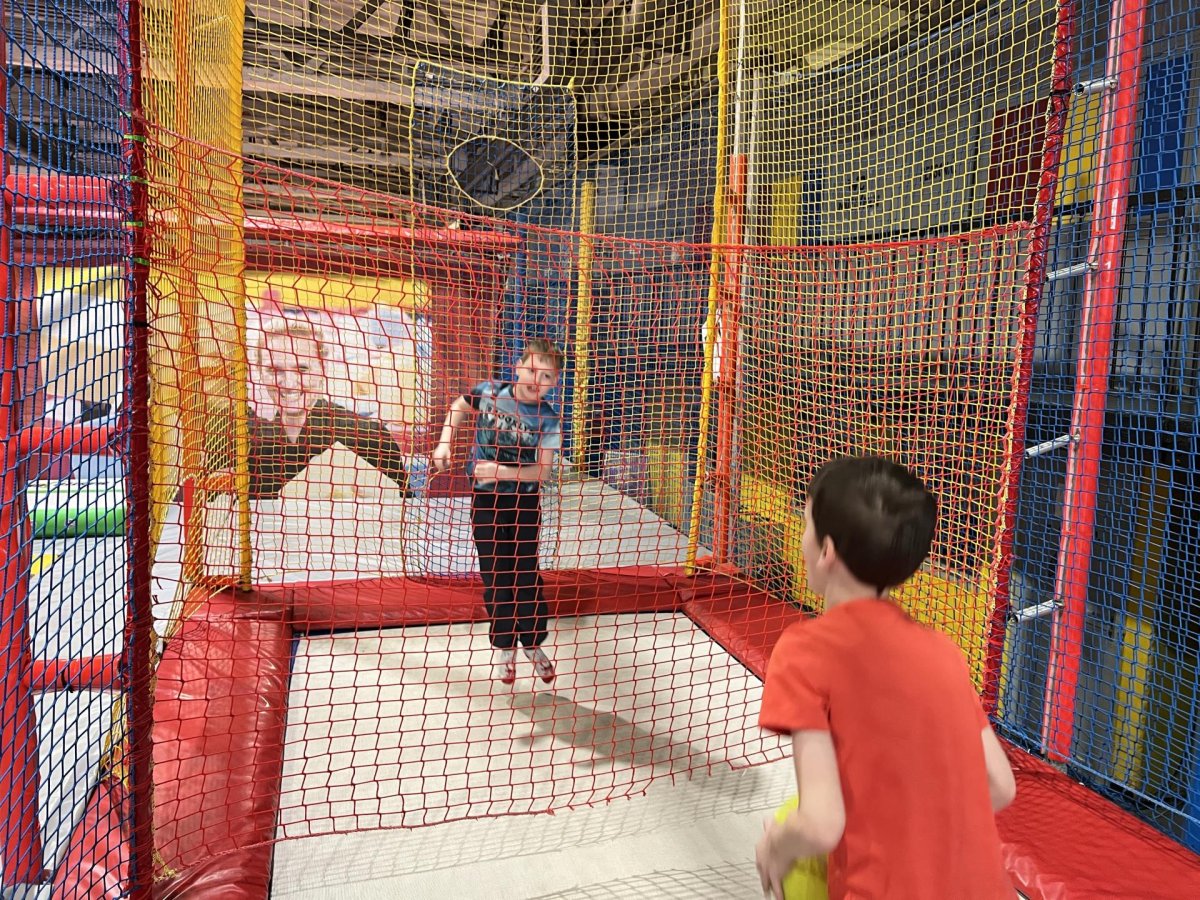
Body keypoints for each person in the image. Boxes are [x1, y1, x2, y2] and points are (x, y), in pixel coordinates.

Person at [755, 456, 1017, 900]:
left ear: (827, 551)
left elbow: (819, 824)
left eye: (806, 525)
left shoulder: (805, 652)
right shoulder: (944, 651)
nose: (801, 541)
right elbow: (999, 785)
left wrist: (775, 847)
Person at [432, 338, 564, 685]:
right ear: (518, 367)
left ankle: (532, 643)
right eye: (532, 370)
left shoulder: (547, 419)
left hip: (523, 504)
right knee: (496, 576)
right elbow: (459, 406)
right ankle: (505, 648)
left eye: (547, 376)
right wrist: (445, 442)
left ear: (554, 382)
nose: (537, 380)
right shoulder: (490, 392)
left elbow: (542, 472)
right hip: (486, 502)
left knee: (525, 574)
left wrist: (499, 471)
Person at [200, 319, 412, 499]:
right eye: (274, 370)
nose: (289, 383)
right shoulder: (246, 445)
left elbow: (404, 509)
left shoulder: (368, 436)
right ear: (259, 372)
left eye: (302, 369)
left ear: (323, 368)